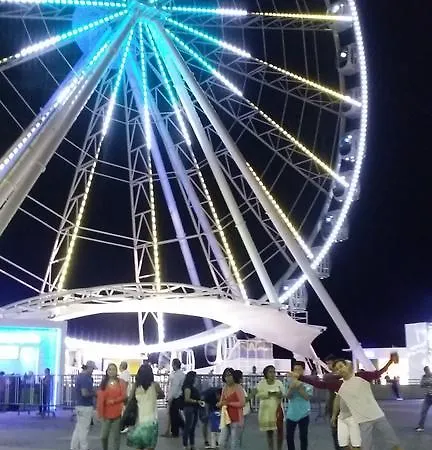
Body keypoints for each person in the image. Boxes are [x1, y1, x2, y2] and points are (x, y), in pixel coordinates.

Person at [291, 355, 402, 450]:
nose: (340, 370)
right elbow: (320, 384)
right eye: (337, 369)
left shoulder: (361, 376)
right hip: (363, 421)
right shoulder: (338, 384)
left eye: (341, 366)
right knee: (365, 447)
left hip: (378, 415)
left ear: (347, 366)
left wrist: (390, 361)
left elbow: (378, 373)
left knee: (393, 443)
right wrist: (300, 377)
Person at [126, 363, 165, 450]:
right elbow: (162, 395)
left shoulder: (136, 386)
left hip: (139, 420)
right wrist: (154, 397)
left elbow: (130, 399)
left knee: (139, 445)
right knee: (150, 446)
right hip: (152, 420)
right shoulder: (155, 385)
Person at [97, 363, 127, 450]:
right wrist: (100, 413)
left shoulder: (121, 382)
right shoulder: (103, 383)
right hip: (106, 414)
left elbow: (124, 396)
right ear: (107, 371)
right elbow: (100, 399)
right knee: (103, 436)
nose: (111, 371)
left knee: (116, 437)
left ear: (116, 371)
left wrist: (114, 401)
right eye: (110, 369)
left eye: (113, 369)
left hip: (117, 413)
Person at [285, 361, 313, 450]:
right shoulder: (289, 381)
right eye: (295, 369)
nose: (297, 372)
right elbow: (288, 396)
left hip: (304, 412)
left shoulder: (308, 381)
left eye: (299, 369)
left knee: (303, 436)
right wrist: (292, 387)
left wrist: (299, 386)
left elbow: (307, 397)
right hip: (291, 413)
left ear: (303, 370)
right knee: (289, 436)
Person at [256, 365, 285, 450]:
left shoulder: (279, 383)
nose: (272, 374)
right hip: (266, 411)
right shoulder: (261, 383)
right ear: (266, 373)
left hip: (277, 410)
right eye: (270, 372)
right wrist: (269, 394)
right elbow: (258, 395)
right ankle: (271, 448)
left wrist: (280, 394)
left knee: (280, 432)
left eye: (274, 372)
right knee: (269, 432)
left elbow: (283, 393)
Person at [70, 360, 97, 450]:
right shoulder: (85, 378)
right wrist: (95, 394)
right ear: (88, 368)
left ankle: (74, 447)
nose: (93, 371)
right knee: (84, 429)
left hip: (79, 405)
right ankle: (84, 447)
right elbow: (84, 393)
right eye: (92, 369)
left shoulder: (80, 376)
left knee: (79, 428)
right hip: (85, 406)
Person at [218, 368, 245, 450]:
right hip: (226, 418)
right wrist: (220, 404)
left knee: (234, 444)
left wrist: (229, 403)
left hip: (237, 419)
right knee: (221, 442)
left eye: (230, 375)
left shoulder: (238, 388)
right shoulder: (224, 388)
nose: (228, 378)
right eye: (226, 376)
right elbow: (222, 401)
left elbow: (242, 403)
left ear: (233, 376)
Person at [182, 371, 204, 450]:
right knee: (188, 427)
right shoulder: (187, 387)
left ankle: (192, 445)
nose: (196, 379)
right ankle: (185, 445)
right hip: (189, 408)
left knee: (192, 428)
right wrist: (197, 401)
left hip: (194, 408)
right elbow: (187, 399)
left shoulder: (192, 387)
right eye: (195, 377)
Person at [167, 358, 185, 438]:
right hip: (179, 396)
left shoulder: (177, 375)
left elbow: (175, 387)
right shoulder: (181, 374)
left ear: (175, 365)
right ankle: (183, 428)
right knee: (176, 414)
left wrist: (170, 397)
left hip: (176, 397)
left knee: (173, 415)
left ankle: (175, 432)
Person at [416, 366, 432, 432]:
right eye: (426, 371)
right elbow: (421, 385)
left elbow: (425, 383)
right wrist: (428, 383)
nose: (427, 372)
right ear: (424, 371)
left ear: (429, 370)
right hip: (428, 397)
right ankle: (421, 426)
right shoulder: (424, 377)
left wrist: (427, 383)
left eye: (428, 370)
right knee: (423, 411)